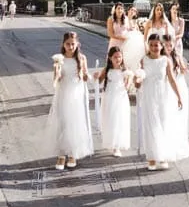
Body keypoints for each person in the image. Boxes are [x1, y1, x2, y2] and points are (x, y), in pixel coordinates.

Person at [137, 33, 183, 171]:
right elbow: (139, 81)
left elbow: (172, 80)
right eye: (151, 45)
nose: (153, 47)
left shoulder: (166, 60)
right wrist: (136, 80)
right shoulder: (144, 60)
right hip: (148, 96)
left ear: (161, 46)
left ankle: (162, 157)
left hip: (163, 96)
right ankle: (151, 158)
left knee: (162, 125)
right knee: (150, 126)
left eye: (156, 45)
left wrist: (179, 96)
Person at [49, 31, 93, 170]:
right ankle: (62, 154)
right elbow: (57, 79)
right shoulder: (60, 59)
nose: (70, 47)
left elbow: (84, 75)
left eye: (73, 44)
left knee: (75, 122)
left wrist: (86, 76)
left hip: (77, 93)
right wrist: (57, 73)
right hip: (64, 93)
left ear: (77, 44)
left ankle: (73, 152)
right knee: (63, 122)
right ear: (63, 44)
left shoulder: (82, 58)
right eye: (68, 44)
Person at [96, 46, 133, 157]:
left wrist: (128, 81)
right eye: (115, 57)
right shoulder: (107, 69)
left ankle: (117, 146)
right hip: (109, 97)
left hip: (120, 98)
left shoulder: (125, 70)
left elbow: (127, 86)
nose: (118, 59)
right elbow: (99, 81)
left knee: (119, 120)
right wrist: (96, 77)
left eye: (120, 57)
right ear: (110, 58)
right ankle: (111, 142)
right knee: (110, 120)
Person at [162, 35, 189, 160]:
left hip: (178, 86)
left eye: (170, 45)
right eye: (166, 45)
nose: (168, 47)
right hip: (167, 87)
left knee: (177, 115)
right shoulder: (161, 58)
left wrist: (185, 68)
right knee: (167, 115)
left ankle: (175, 141)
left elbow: (183, 71)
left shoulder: (177, 57)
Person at [122, 5, 145, 76]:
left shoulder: (135, 22)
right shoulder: (124, 20)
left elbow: (138, 32)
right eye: (131, 10)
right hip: (126, 43)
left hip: (135, 45)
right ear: (128, 11)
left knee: (135, 60)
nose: (133, 12)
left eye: (134, 11)